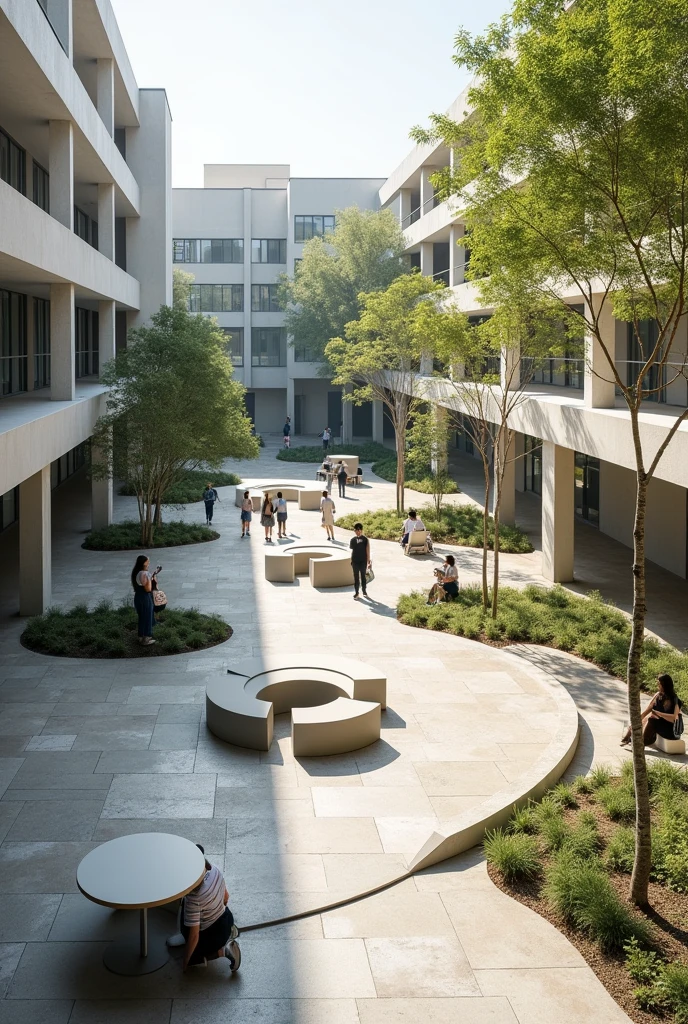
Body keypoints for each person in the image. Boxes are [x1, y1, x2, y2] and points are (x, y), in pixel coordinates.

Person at [181, 844, 240, 972]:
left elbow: (194, 936)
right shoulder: (215, 870)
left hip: (213, 936)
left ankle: (223, 951)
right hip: (227, 918)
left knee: (191, 956)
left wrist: (185, 962)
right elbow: (226, 898)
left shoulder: (194, 898)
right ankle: (229, 930)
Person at [621, 674, 684, 747]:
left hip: (671, 730)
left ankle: (641, 743)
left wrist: (659, 713)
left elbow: (674, 718)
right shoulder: (658, 695)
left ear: (665, 685)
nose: (657, 685)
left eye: (659, 683)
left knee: (651, 719)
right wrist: (636, 722)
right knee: (646, 718)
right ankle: (628, 738)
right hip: (659, 725)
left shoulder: (675, 700)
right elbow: (647, 711)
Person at [131, 555, 156, 645]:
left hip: (138, 597)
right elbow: (148, 589)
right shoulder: (144, 574)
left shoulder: (137, 572)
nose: (149, 562)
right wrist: (151, 579)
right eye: (147, 561)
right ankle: (146, 638)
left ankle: (141, 636)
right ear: (144, 563)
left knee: (142, 617)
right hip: (144, 598)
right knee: (147, 617)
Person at [349, 522, 371, 600]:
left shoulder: (365, 540)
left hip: (363, 561)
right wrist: (351, 560)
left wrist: (369, 561)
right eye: (356, 530)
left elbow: (367, 550)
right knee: (356, 577)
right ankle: (356, 592)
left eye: (359, 530)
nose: (357, 531)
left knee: (363, 576)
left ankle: (364, 590)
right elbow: (352, 551)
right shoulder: (352, 540)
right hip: (355, 561)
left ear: (361, 530)